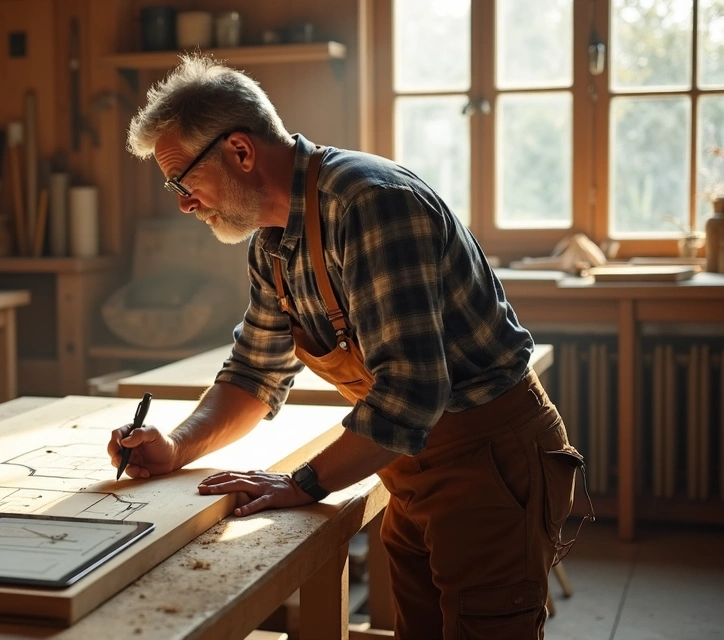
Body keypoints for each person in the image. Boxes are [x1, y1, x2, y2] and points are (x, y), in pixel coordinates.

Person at [107, 54, 591, 640]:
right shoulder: (272, 244)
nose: (183, 202)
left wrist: (302, 482)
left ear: (240, 150)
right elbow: (254, 374)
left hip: (489, 460)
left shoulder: (371, 204)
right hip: (407, 468)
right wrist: (176, 447)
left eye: (182, 180)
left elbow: (411, 394)